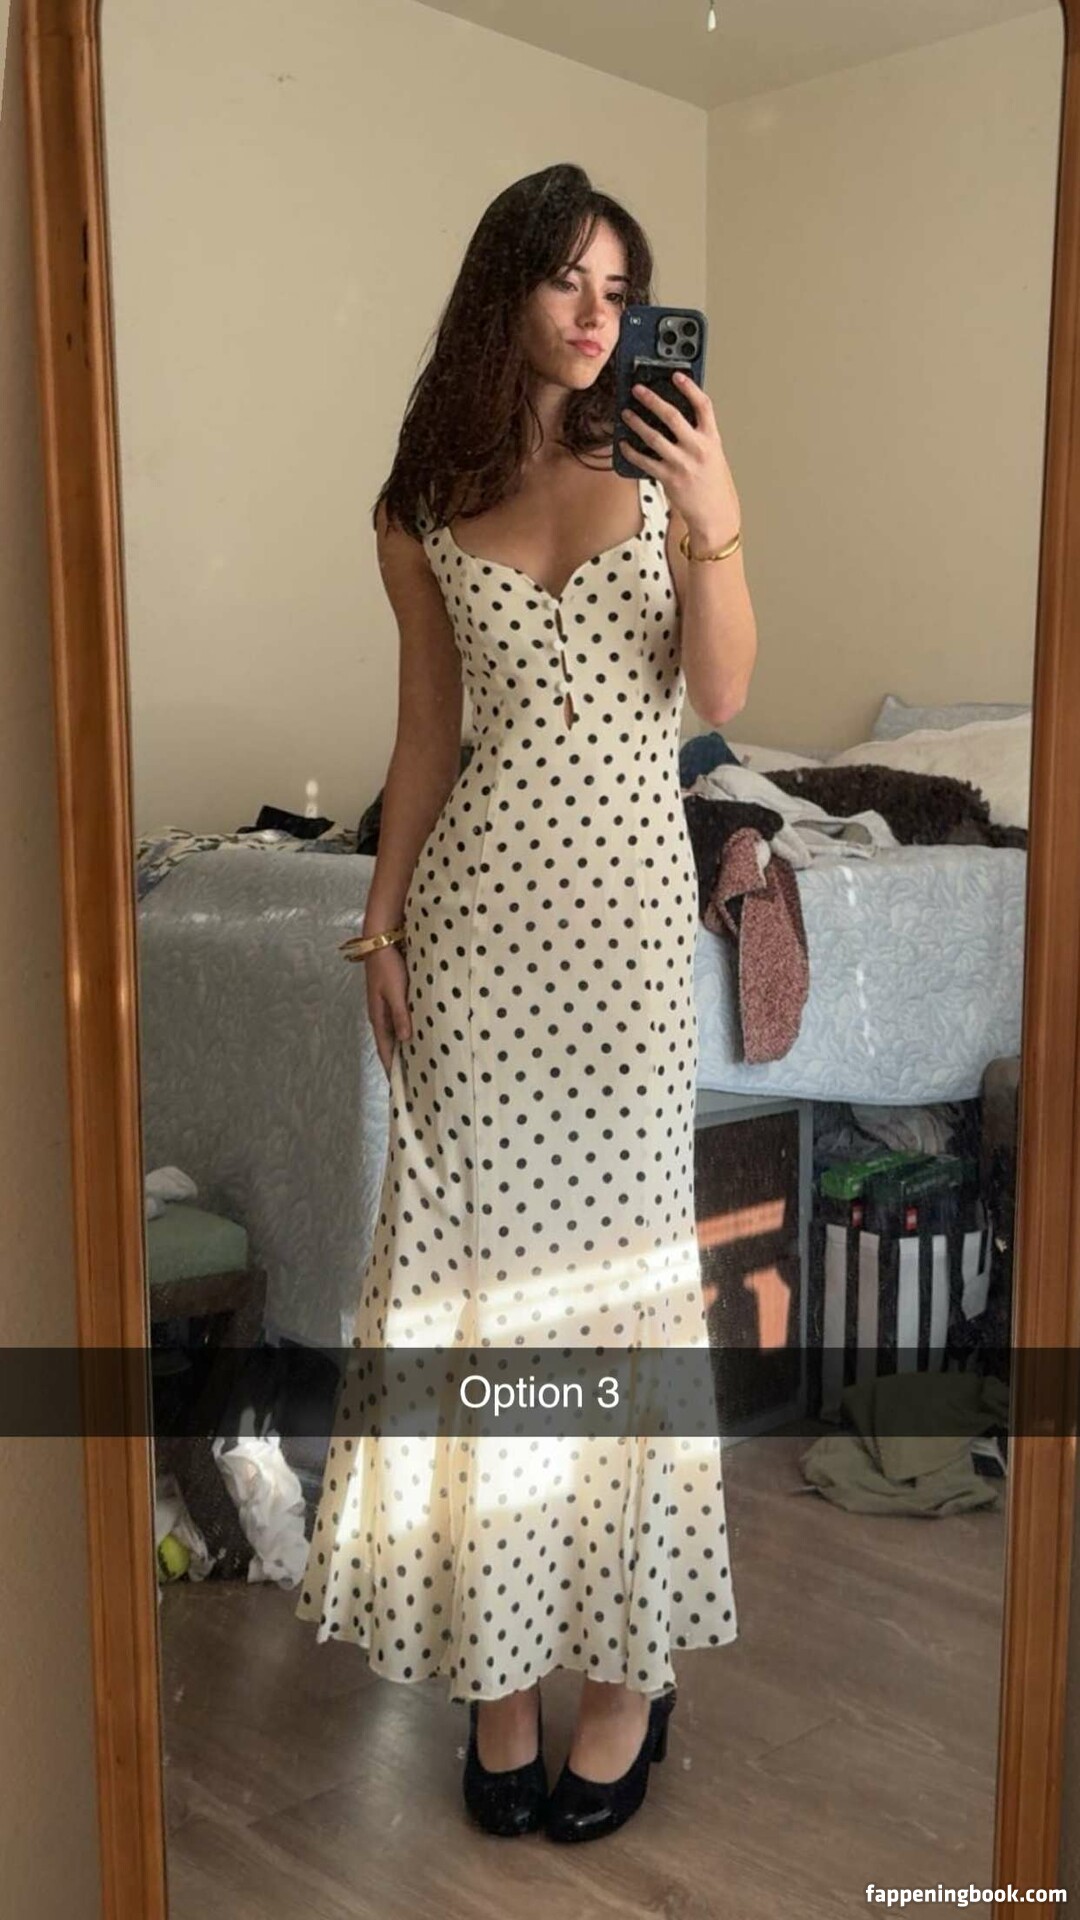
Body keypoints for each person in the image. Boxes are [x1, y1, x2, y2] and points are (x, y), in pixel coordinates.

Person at [295, 161, 758, 1843]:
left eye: (618, 288)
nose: (594, 313)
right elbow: (427, 734)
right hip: (477, 947)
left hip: (626, 957)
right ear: (506, 287)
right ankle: (499, 1677)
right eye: (567, 278)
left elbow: (721, 692)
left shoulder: (669, 461)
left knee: (623, 1307)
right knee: (485, 1310)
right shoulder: (422, 502)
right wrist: (379, 931)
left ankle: (629, 1678)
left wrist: (709, 503)